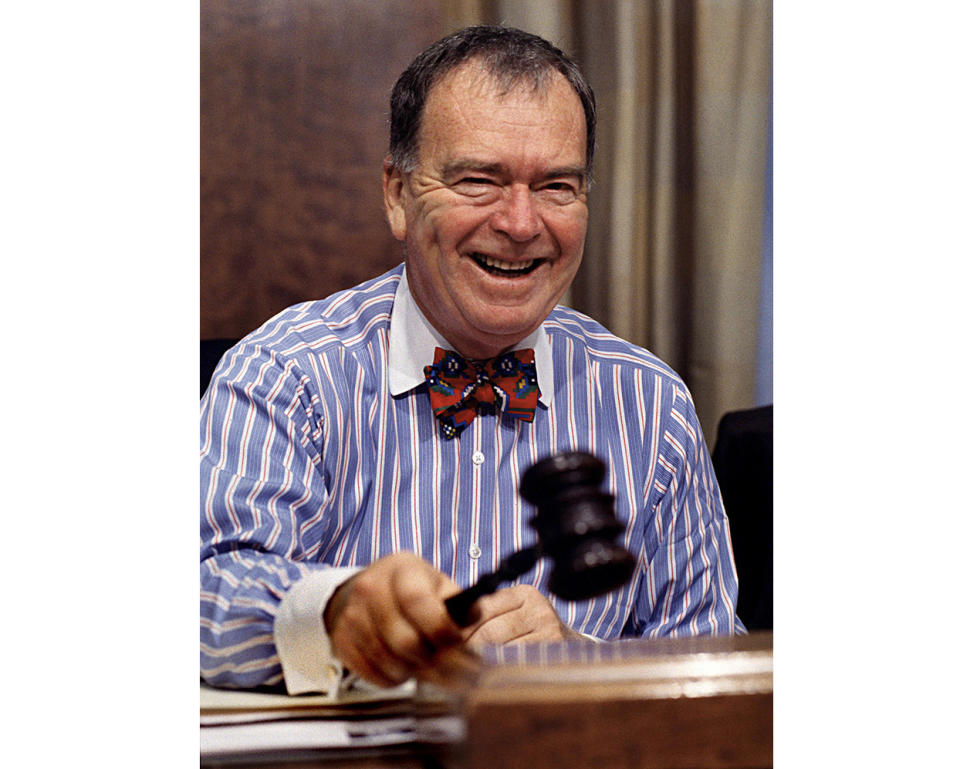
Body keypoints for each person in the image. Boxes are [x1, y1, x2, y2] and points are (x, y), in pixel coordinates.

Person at [200, 25, 744, 695]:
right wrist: (336, 611)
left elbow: (715, 667)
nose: (520, 223)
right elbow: (203, 596)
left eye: (555, 186)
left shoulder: (652, 406)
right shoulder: (287, 376)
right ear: (398, 194)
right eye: (479, 180)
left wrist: (584, 661)